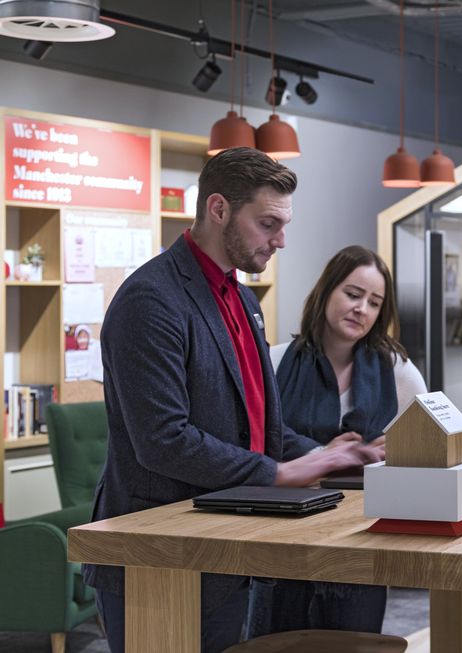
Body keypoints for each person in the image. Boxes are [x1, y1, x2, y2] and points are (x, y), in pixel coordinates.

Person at [83, 148, 383, 653]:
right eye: (268, 224)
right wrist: (277, 474)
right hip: (159, 550)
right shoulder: (150, 300)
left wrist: (329, 455)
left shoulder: (243, 298)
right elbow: (162, 441)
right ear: (218, 209)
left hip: (226, 544)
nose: (280, 240)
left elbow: (258, 425)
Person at [246, 245, 426, 638]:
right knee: (273, 643)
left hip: (360, 543)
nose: (362, 308)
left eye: (374, 302)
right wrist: (323, 455)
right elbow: (256, 440)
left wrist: (395, 452)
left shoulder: (399, 371)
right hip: (280, 539)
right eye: (352, 293)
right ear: (327, 291)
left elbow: (424, 444)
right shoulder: (274, 361)